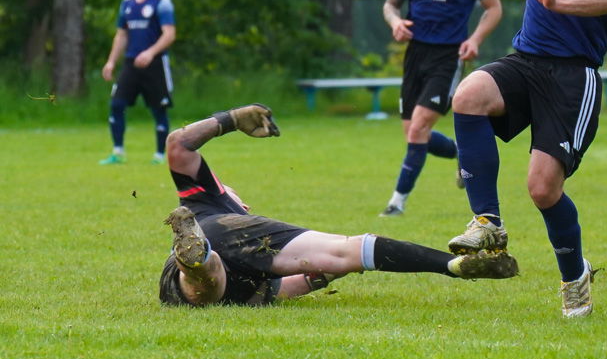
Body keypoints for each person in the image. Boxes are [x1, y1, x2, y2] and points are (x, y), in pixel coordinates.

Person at [445, 0, 607, 317]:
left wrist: (558, 2)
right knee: (467, 96)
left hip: (572, 77)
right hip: (526, 60)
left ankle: (574, 278)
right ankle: (488, 223)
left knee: (543, 190)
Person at [159, 104, 519, 307]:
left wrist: (323, 276)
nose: (244, 199)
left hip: (219, 284)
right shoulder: (212, 201)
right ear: (226, 189)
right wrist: (232, 120)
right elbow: (179, 143)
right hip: (219, 240)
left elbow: (287, 287)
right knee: (344, 249)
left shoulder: (221, 214)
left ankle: (198, 260)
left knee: (210, 280)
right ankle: (198, 260)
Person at [380, 0, 503, 216]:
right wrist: (396, 23)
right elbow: (390, 5)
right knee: (412, 132)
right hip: (415, 53)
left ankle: (397, 202)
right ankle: (463, 153)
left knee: (420, 127)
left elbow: (494, 8)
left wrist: (475, 39)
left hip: (449, 56)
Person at [99, 0, 176, 165]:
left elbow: (169, 34)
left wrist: (150, 53)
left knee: (158, 109)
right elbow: (121, 34)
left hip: (155, 64)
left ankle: (161, 155)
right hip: (131, 63)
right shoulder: (127, 3)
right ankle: (118, 152)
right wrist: (111, 62)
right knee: (117, 104)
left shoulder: (161, 2)